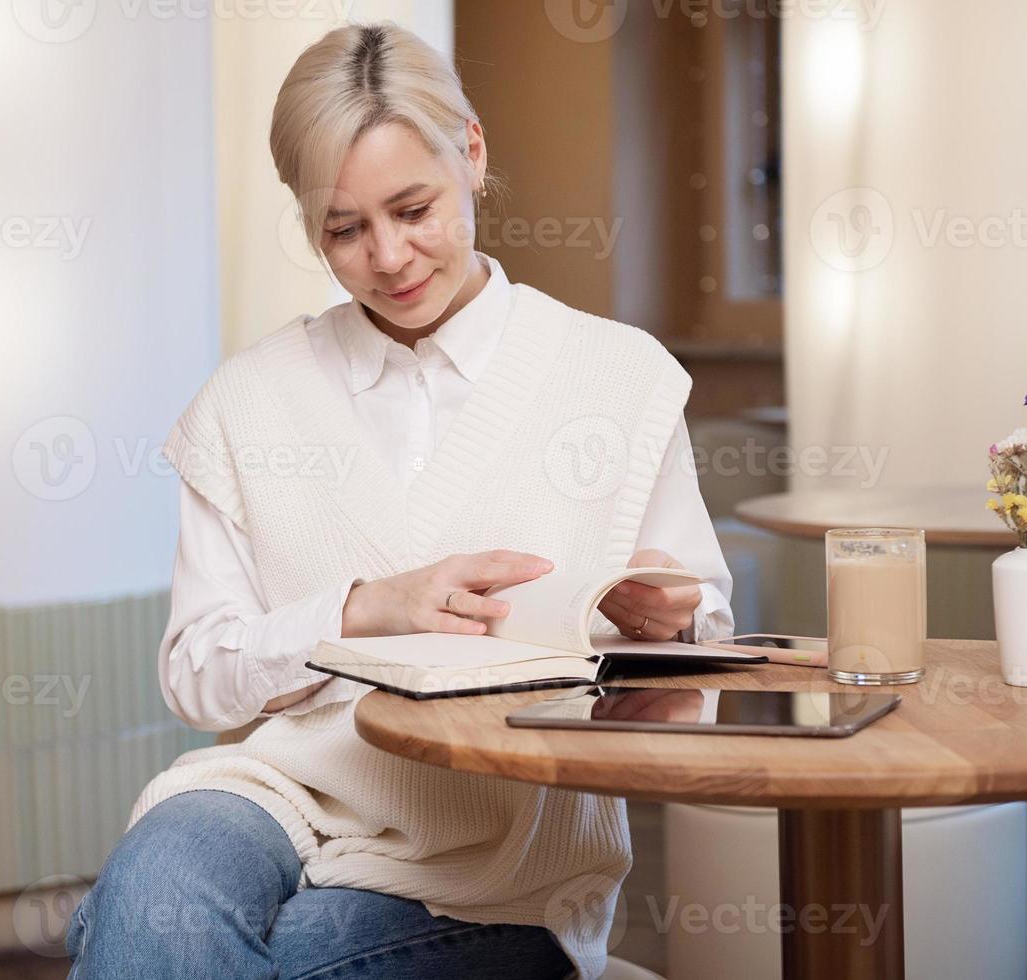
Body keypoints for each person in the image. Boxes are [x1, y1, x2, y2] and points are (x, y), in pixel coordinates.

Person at [66, 20, 734, 980]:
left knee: (153, 951)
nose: (388, 257)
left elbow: (708, 652)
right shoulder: (246, 401)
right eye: (343, 228)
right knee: (157, 903)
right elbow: (196, 675)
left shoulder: (616, 379)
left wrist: (668, 631)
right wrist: (357, 611)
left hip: (503, 860)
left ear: (472, 151)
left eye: (413, 208)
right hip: (270, 796)